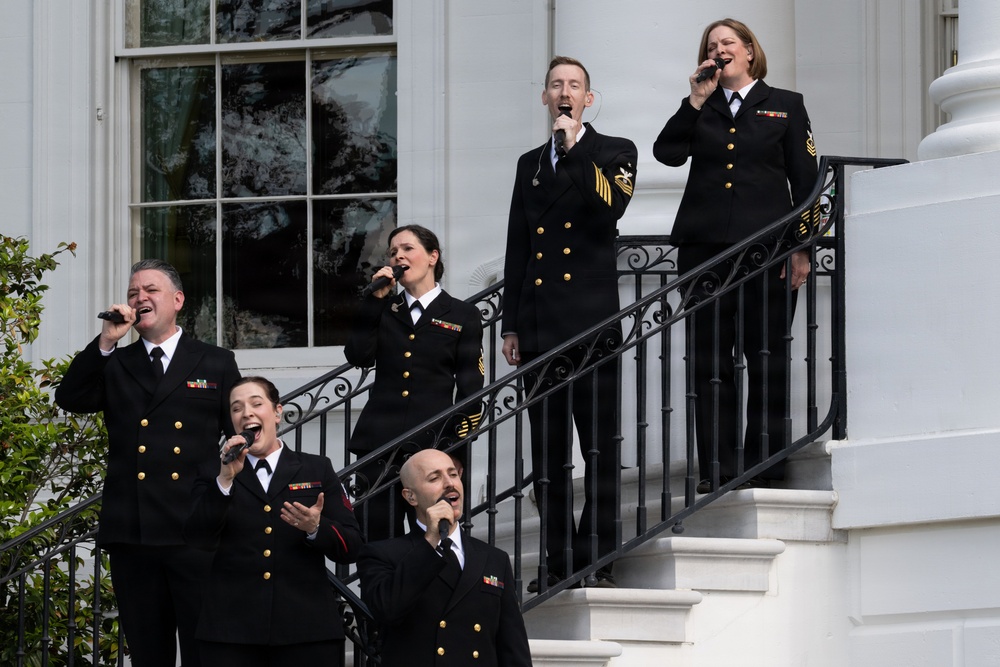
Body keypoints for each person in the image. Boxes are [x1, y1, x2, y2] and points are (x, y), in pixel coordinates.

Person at [652, 18, 818, 493]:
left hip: (767, 252)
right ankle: (718, 468)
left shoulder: (785, 105)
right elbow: (666, 153)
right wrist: (694, 101)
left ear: (749, 51)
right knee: (710, 361)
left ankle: (766, 464)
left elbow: (806, 183)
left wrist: (802, 248)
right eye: (711, 45)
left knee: (765, 355)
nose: (720, 49)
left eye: (728, 42)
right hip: (704, 253)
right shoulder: (699, 106)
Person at [55, 258, 241, 667]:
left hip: (194, 529)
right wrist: (106, 341)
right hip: (134, 531)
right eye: (132, 293)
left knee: (203, 649)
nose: (139, 298)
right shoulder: (115, 361)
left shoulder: (215, 361)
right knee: (147, 651)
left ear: (177, 300)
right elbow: (70, 398)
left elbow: (238, 430)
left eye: (150, 290)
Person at [501, 56, 637, 591]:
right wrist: (511, 324)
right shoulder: (528, 163)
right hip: (540, 327)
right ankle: (554, 563)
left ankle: (598, 556)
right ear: (544, 98)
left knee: (598, 447)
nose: (565, 92)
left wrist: (575, 148)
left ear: (588, 99)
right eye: (556, 85)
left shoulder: (614, 151)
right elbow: (518, 246)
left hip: (591, 325)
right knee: (549, 457)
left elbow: (610, 209)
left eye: (574, 86)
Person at [184, 376, 364, 667]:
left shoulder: (316, 468)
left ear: (277, 412)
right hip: (231, 634)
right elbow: (196, 538)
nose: (247, 413)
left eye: (257, 404)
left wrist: (316, 529)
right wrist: (225, 481)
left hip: (305, 632)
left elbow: (352, 546)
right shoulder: (213, 472)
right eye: (236, 408)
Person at [345, 224, 485, 541]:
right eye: (393, 251)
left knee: (436, 536)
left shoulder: (462, 314)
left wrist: (455, 451)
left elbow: (471, 389)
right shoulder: (385, 309)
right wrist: (374, 301)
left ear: (432, 256)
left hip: (433, 445)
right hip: (378, 444)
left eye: (407, 248)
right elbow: (358, 356)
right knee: (375, 538)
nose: (398, 256)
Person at [357, 448, 532, 667]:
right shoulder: (382, 554)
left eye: (453, 474)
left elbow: (512, 645)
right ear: (410, 496)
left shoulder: (494, 558)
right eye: (435, 477)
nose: (449, 483)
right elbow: (387, 610)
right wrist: (430, 540)